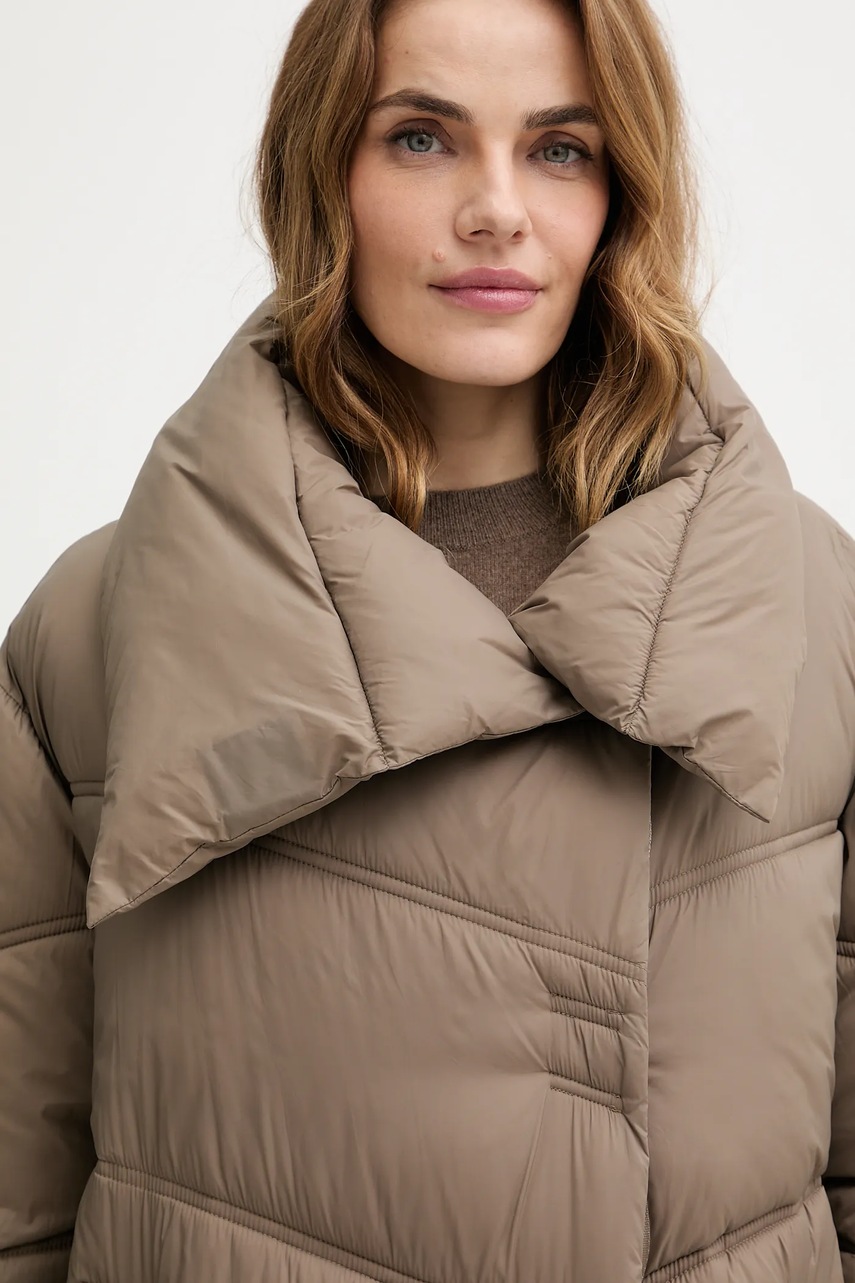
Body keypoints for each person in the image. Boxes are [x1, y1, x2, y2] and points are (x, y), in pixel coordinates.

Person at [1, 0, 853, 1277]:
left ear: (620, 195)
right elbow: (19, 1209)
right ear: (320, 174)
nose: (497, 209)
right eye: (421, 138)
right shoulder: (91, 633)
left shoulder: (810, 603)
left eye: (559, 148)